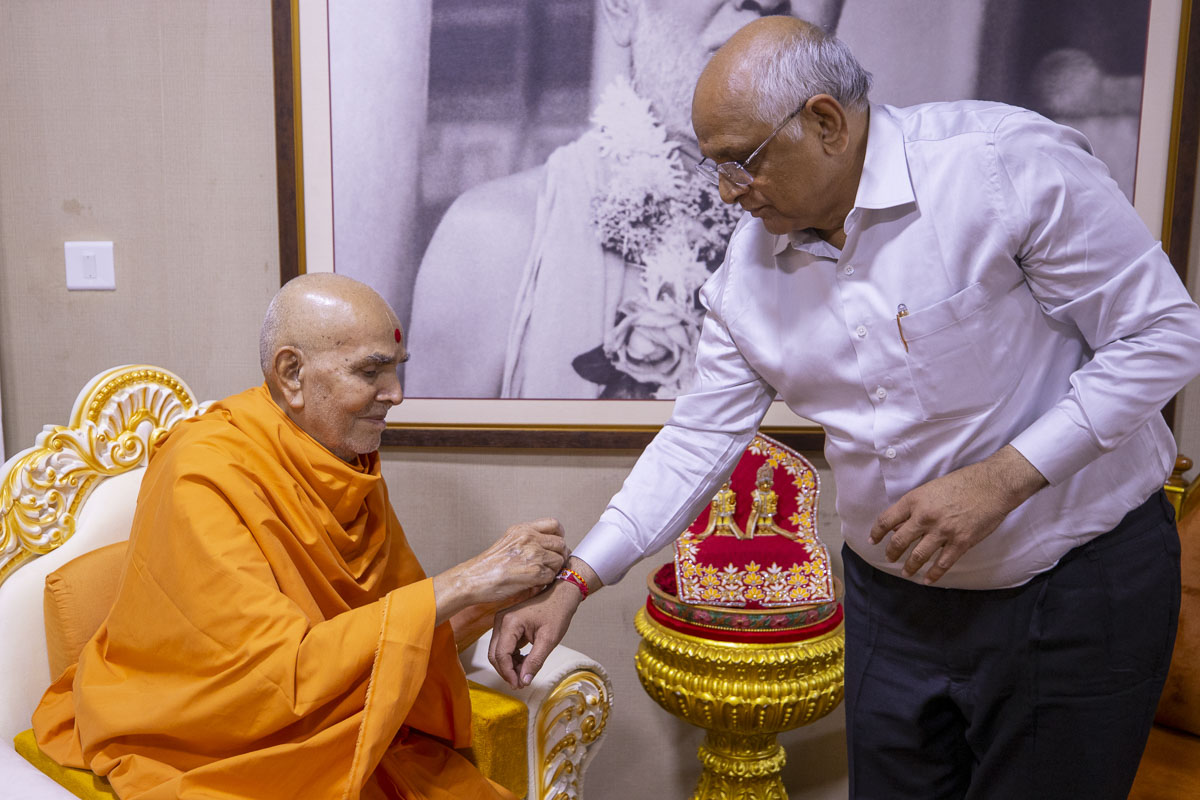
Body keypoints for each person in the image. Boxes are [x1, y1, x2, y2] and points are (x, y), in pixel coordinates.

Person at [489, 16, 1200, 799]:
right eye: (715, 167)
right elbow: (696, 443)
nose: (729, 192)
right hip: (890, 606)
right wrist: (575, 585)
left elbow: (1164, 336)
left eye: (742, 163)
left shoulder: (1000, 167)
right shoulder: (749, 272)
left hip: (1074, 587)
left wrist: (1005, 477)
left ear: (825, 121)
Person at [32, 273, 568, 800]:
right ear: (291, 373)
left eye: (397, 370)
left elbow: (383, 632)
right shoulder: (203, 474)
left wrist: (505, 587)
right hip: (217, 737)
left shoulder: (339, 455)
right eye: (372, 371)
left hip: (333, 718)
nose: (396, 394)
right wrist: (468, 580)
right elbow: (274, 679)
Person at [406, 0, 845, 400]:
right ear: (621, 7)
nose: (766, 2)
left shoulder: (872, 250)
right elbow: (443, 483)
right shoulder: (492, 240)